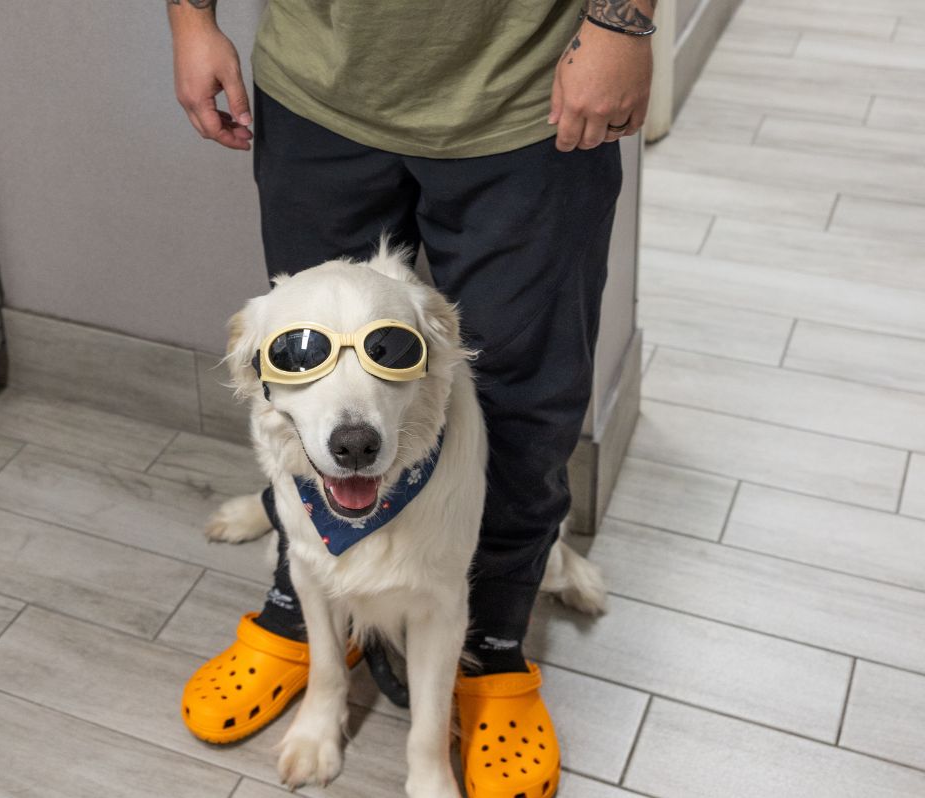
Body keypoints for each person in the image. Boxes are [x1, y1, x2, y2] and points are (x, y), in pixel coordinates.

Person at [166, 1, 654, 795]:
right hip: (317, 84)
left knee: (524, 399)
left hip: (531, 91)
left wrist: (621, 22)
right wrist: (191, 15)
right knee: (316, 378)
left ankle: (493, 637)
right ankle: (303, 599)